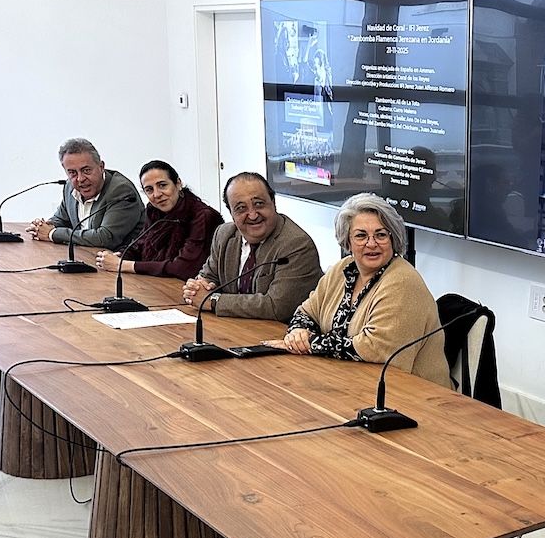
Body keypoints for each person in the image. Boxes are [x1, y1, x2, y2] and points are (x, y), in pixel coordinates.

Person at [264, 193, 451, 388]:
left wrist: (311, 344)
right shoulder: (343, 269)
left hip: (414, 395)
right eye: (361, 235)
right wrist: (298, 332)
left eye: (380, 235)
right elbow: (307, 312)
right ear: (347, 241)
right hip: (350, 383)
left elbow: (375, 348)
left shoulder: (403, 281)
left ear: (393, 239)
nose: (371, 244)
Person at [182, 172, 322, 322]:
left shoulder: (296, 244)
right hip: (235, 328)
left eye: (259, 204)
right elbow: (208, 278)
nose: (253, 215)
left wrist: (214, 301)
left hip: (282, 335)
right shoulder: (224, 234)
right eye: (241, 208)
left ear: (273, 202)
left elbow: (277, 307)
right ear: (231, 213)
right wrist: (196, 289)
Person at [94, 160, 223, 281]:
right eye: (149, 190)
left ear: (178, 184)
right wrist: (119, 256)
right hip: (156, 283)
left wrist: (124, 265)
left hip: (187, 290)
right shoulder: (154, 210)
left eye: (162, 185)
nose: (156, 194)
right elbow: (140, 245)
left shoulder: (203, 216)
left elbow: (184, 268)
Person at [27, 138, 142, 249]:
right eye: (72, 173)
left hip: (117, 262)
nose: (80, 179)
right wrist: (43, 226)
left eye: (86, 170)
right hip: (84, 255)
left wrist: (52, 233)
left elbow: (105, 238)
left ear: (101, 167)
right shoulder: (69, 187)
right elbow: (61, 219)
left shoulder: (121, 191)